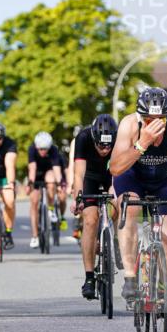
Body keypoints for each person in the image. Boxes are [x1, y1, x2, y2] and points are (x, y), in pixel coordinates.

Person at [109, 88, 167, 318]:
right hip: (131, 178)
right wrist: (142, 143)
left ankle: (164, 290)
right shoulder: (129, 125)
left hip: (162, 180)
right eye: (149, 119)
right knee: (131, 208)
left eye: (160, 118)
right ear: (140, 117)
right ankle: (130, 278)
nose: (155, 123)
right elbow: (115, 168)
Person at [70, 114, 118, 300]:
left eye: (108, 146)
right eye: (101, 145)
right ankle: (89, 277)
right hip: (89, 177)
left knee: (119, 203)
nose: (105, 150)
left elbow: (123, 170)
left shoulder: (119, 137)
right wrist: (78, 198)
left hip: (111, 175)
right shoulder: (83, 138)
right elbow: (78, 174)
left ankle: (112, 238)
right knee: (90, 220)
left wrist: (116, 189)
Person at [27, 131, 63, 249]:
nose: (43, 151)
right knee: (34, 202)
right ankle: (35, 236)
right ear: (36, 147)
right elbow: (32, 168)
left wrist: (59, 183)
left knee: (51, 181)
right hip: (36, 174)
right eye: (40, 149)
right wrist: (30, 183)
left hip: (49, 172)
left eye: (45, 149)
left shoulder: (53, 150)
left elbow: (56, 168)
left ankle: (50, 209)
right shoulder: (32, 149)